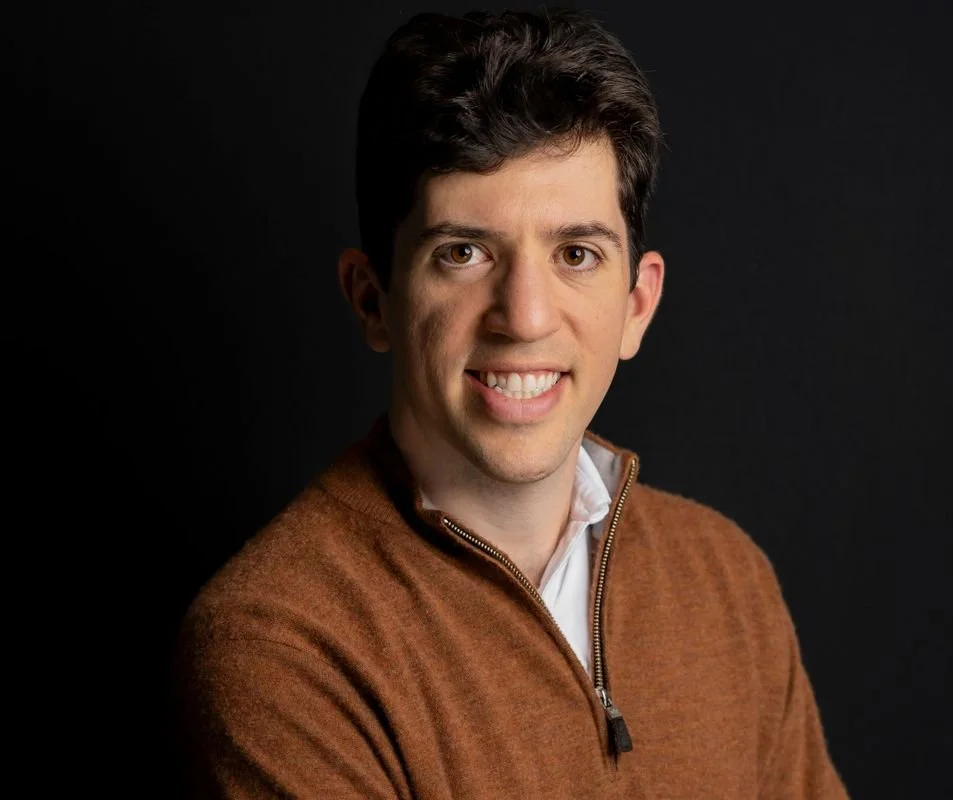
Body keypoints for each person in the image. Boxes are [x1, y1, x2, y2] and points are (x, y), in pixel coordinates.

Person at [174, 8, 849, 798]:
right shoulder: (283, 645)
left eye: (576, 254)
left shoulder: (726, 579)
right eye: (463, 252)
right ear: (371, 299)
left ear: (637, 303)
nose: (524, 316)